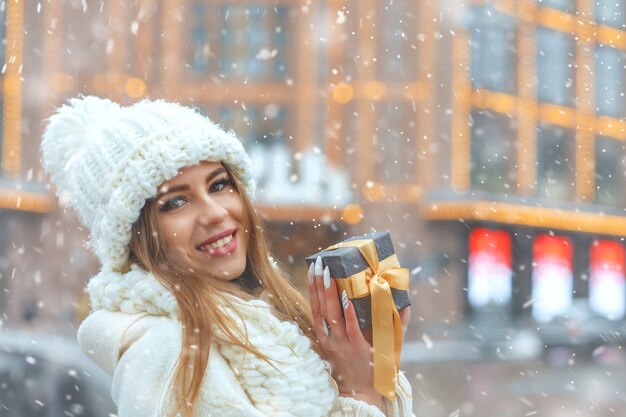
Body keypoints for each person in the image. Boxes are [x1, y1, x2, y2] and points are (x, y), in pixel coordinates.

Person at [41, 96, 415, 417]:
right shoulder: (164, 351)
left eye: (219, 185)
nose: (215, 212)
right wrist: (359, 395)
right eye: (176, 202)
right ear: (135, 238)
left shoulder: (271, 319)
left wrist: (373, 367)